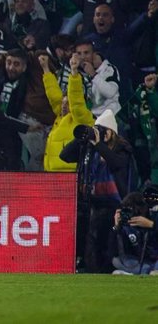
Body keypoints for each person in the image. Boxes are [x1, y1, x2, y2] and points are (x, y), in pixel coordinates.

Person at [60, 109, 135, 273]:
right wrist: (82, 137)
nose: (99, 134)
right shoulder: (91, 149)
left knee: (108, 241)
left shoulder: (122, 149)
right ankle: (92, 269)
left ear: (111, 133)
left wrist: (99, 143)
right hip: (93, 202)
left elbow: (116, 163)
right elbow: (64, 156)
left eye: (102, 130)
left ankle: (107, 269)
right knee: (91, 240)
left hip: (116, 204)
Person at [40, 53, 94, 172]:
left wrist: (74, 73)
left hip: (70, 175)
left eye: (68, 103)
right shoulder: (60, 117)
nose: (64, 106)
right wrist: (45, 68)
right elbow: (53, 94)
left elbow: (76, 100)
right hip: (52, 173)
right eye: (63, 103)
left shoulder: (82, 117)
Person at [111, 190, 158, 275]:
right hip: (136, 261)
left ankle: (136, 273)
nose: (135, 213)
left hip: (154, 260)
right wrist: (117, 227)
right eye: (129, 210)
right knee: (117, 260)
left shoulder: (153, 219)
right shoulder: (125, 227)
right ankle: (147, 272)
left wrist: (152, 225)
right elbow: (113, 252)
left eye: (137, 209)